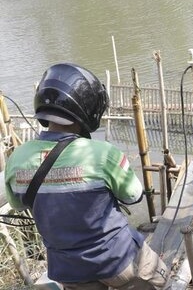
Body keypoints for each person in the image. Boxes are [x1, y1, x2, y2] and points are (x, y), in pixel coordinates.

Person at [4, 63, 168, 290]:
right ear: (86, 110)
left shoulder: (16, 159)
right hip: (117, 260)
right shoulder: (103, 154)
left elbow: (18, 204)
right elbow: (133, 195)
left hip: (69, 270)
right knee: (160, 278)